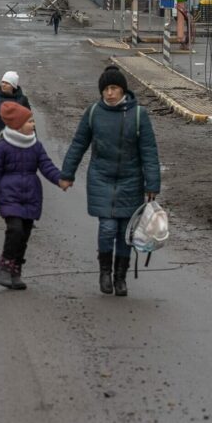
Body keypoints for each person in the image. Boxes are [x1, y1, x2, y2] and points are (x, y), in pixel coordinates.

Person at [60, 65, 161, 297]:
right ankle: (105, 273)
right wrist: (67, 174)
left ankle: (120, 277)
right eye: (106, 88)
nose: (109, 93)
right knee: (107, 228)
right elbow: (78, 144)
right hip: (101, 178)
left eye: (114, 88)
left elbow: (149, 151)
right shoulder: (93, 112)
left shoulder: (138, 115)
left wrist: (152, 185)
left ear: (123, 90)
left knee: (125, 232)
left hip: (131, 180)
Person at [0, 103, 65, 290]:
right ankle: (5, 267)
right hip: (9, 196)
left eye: (33, 121)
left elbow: (47, 166)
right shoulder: (2, 147)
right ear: (17, 125)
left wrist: (61, 180)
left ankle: (16, 270)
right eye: (30, 121)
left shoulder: (35, 146)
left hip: (31, 196)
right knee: (15, 229)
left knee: (25, 234)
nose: (33, 125)